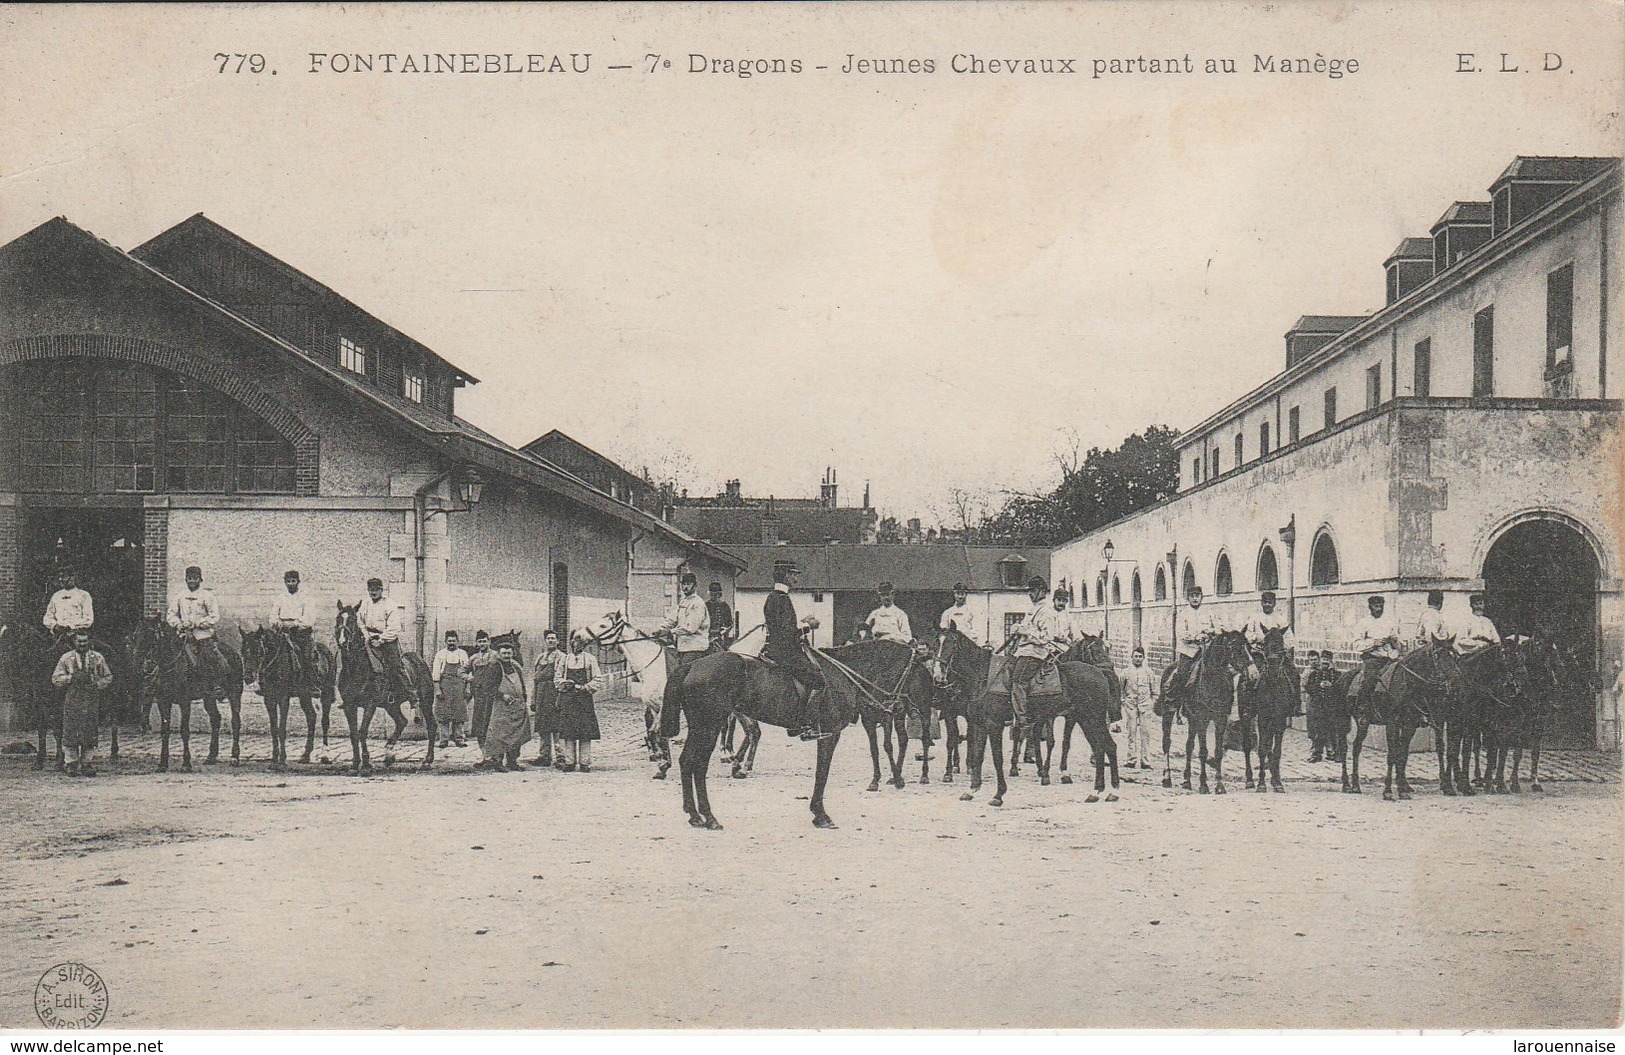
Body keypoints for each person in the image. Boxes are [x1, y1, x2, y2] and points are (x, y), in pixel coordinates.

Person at [762, 562, 826, 740]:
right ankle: (806, 725)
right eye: (794, 574)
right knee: (818, 681)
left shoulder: (772, 597)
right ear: (786, 576)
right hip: (785, 652)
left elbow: (781, 627)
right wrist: (808, 626)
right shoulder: (782, 599)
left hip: (775, 648)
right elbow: (787, 633)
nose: (797, 578)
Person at [1010, 578, 1075, 741]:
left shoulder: (1045, 610)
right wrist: (1017, 628)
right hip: (1023, 651)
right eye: (1029, 591)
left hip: (1035, 652)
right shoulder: (1035, 609)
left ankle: (1023, 722)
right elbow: (1028, 628)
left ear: (1040, 590)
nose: (1030, 594)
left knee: (1018, 681)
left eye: (1032, 590)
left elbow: (1046, 637)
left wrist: (1025, 632)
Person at [51, 630, 113, 777]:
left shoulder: (97, 658)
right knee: (71, 730)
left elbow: (108, 676)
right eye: (80, 641)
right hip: (72, 698)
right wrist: (70, 678)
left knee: (89, 730)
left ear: (89, 642)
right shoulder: (66, 658)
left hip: (90, 698)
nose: (82, 644)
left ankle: (87, 763)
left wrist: (97, 684)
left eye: (85, 641)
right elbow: (55, 678)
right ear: (75, 642)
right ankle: (71, 763)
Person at [554, 629, 605, 772]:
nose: (577, 644)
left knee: (585, 731)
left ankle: (585, 762)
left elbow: (598, 679)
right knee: (568, 731)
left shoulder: (590, 659)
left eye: (580, 641)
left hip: (584, 699)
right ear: (570, 642)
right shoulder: (564, 659)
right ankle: (569, 762)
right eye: (575, 640)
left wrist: (585, 687)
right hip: (568, 699)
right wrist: (565, 683)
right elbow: (557, 678)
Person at [1242, 590, 1300, 714]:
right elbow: (1247, 634)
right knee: (1251, 677)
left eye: (1270, 602)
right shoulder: (1254, 619)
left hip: (1277, 655)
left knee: (1294, 673)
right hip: (1260, 653)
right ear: (1261, 603)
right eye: (1265, 602)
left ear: (1274, 604)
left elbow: (1290, 638)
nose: (1267, 605)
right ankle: (1248, 706)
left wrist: (1280, 646)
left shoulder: (1281, 620)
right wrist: (1257, 639)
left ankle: (1295, 705)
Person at [478, 637, 531, 772]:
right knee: (500, 735)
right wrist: (502, 695)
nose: (507, 656)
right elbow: (487, 687)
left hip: (517, 707)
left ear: (512, 653)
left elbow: (522, 685)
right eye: (504, 653)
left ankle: (512, 761)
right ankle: (497, 761)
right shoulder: (494, 667)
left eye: (509, 653)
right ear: (499, 654)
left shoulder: (516, 667)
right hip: (501, 707)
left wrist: (524, 699)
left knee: (516, 735)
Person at [167, 565, 224, 688]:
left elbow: (214, 616)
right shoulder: (180, 596)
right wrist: (178, 624)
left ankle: (214, 685)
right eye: (189, 578)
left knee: (208, 656)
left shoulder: (207, 596)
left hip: (202, 634)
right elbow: (171, 614)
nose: (192, 581)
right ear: (186, 580)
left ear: (200, 579)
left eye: (195, 578)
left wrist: (198, 623)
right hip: (183, 634)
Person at [357, 578, 410, 709]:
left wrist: (381, 640)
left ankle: (410, 693)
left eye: (376, 590)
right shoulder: (365, 604)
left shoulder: (390, 605)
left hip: (387, 640)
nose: (373, 592)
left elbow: (394, 627)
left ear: (381, 590)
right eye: (371, 590)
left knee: (395, 666)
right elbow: (360, 622)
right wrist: (367, 637)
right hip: (369, 638)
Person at [1169, 585, 1221, 701]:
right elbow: (1181, 633)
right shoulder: (1183, 614)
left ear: (1202, 597)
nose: (1195, 598)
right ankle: (1174, 701)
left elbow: (1219, 629)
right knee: (1182, 676)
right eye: (1192, 596)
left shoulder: (1209, 613)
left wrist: (1211, 633)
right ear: (1188, 598)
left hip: (1207, 652)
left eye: (1197, 595)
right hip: (1189, 652)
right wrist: (1196, 637)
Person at [1349, 595, 1400, 708]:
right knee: (1369, 681)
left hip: (1390, 659)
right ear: (1370, 607)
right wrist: (1374, 643)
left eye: (1381, 606)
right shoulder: (1363, 623)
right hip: (1373, 660)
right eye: (1376, 606)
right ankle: (1363, 708)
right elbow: (1356, 645)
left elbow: (1398, 646)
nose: (1379, 609)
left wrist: (1395, 641)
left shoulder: (1389, 622)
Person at [270, 570, 318, 690]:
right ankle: (267, 682)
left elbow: (309, 617)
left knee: (306, 656)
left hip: (300, 633)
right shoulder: (280, 598)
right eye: (288, 581)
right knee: (269, 652)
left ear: (298, 582)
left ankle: (311, 684)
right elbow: (273, 615)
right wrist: (277, 623)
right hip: (282, 633)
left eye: (293, 581)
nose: (291, 584)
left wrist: (295, 624)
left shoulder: (306, 598)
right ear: (285, 582)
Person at [661, 572, 711, 670]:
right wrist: (660, 629)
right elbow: (671, 619)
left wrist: (671, 632)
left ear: (695, 586)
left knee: (681, 677)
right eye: (683, 584)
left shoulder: (697, 603)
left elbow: (690, 628)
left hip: (695, 648)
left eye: (688, 584)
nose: (685, 587)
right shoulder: (683, 602)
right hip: (682, 648)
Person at [529, 629, 565, 767]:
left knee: (557, 727)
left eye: (553, 638)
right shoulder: (540, 658)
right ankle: (544, 756)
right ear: (545, 641)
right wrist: (533, 699)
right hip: (541, 695)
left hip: (554, 694)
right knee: (543, 726)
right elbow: (535, 680)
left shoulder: (561, 657)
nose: (551, 641)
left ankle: (560, 756)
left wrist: (561, 698)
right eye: (548, 638)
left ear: (558, 641)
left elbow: (562, 678)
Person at [431, 630, 470, 748]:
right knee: (443, 713)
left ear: (457, 641)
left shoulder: (462, 654)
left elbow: (468, 671)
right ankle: (444, 739)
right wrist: (437, 689)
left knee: (459, 713)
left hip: (459, 686)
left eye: (453, 641)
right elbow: (436, 672)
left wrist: (467, 688)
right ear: (445, 642)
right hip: (444, 686)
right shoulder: (440, 654)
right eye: (449, 641)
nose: (451, 643)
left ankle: (459, 738)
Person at [1303, 650, 1344, 763]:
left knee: (1333, 730)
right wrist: (1319, 685)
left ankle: (1336, 753)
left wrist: (1332, 686)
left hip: (1331, 707)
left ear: (1330, 661)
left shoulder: (1337, 675)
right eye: (1323, 659)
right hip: (1318, 706)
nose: (1325, 662)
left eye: (1327, 660)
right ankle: (1316, 754)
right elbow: (1308, 688)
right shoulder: (1314, 674)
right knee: (1318, 730)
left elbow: (1341, 690)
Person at [1122, 646, 1155, 770]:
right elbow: (1121, 689)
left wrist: (1151, 702)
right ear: (1132, 658)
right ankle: (1131, 759)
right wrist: (1124, 701)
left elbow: (1154, 690)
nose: (1138, 659)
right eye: (1136, 656)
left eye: (1140, 656)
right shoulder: (1125, 672)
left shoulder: (1148, 672)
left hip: (1145, 706)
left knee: (1145, 734)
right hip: (1130, 706)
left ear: (1143, 658)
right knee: (1131, 732)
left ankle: (1145, 761)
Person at [467, 630, 500, 747]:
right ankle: (484, 756)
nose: (482, 644)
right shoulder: (473, 658)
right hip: (479, 695)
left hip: (493, 695)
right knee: (480, 726)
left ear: (489, 642)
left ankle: (495, 756)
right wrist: (469, 677)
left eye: (484, 641)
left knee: (493, 724)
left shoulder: (496, 656)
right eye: (480, 642)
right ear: (476, 643)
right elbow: (461, 671)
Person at [43, 570, 95, 639]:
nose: (60, 579)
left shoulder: (84, 595)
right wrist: (55, 626)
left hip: (78, 635)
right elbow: (47, 617)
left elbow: (88, 618)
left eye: (64, 576)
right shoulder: (56, 596)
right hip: (58, 635)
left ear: (72, 577)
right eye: (60, 577)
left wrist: (70, 626)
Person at [938, 583, 984, 647]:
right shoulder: (947, 612)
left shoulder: (972, 611)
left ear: (966, 595)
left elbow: (976, 629)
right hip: (953, 643)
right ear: (954, 594)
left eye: (962, 594)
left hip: (968, 643)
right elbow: (944, 629)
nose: (960, 597)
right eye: (958, 594)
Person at [1454, 593, 1500, 657]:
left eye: (1481, 603)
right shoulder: (1466, 621)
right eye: (1476, 604)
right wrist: (1479, 644)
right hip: (1473, 653)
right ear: (1471, 605)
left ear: (1484, 605)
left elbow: (1496, 639)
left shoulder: (1488, 621)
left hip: (1489, 651)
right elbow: (1461, 640)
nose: (1479, 606)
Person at [705, 582, 735, 652]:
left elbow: (729, 623)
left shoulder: (725, 606)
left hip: (722, 637)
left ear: (720, 594)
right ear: (709, 594)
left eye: (717, 594)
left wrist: (724, 630)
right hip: (708, 636)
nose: (715, 596)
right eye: (712, 594)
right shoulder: (706, 606)